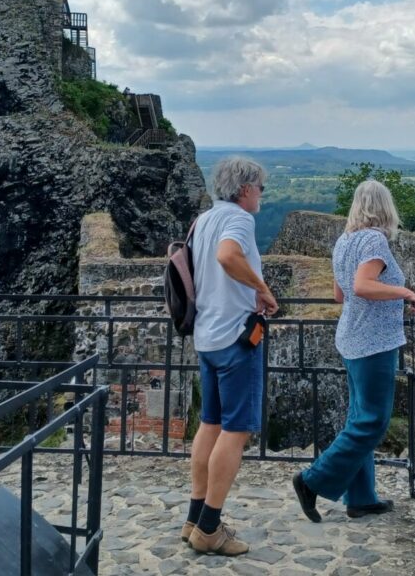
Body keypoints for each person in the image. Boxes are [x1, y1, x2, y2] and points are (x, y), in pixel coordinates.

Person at [292, 179, 415, 522]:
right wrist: (404, 293)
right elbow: (363, 286)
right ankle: (311, 481)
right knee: (372, 420)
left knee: (358, 415)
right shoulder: (374, 239)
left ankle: (361, 498)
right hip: (373, 342)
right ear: (385, 207)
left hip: (350, 337)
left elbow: (341, 294)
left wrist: (385, 294)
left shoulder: (344, 240)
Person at [182, 156, 277, 556]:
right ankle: (209, 529)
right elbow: (227, 257)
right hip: (237, 340)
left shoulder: (204, 219)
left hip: (206, 337)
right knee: (235, 432)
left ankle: (193, 517)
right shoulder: (239, 219)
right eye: (260, 188)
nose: (262, 195)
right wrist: (262, 288)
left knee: (210, 424)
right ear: (245, 189)